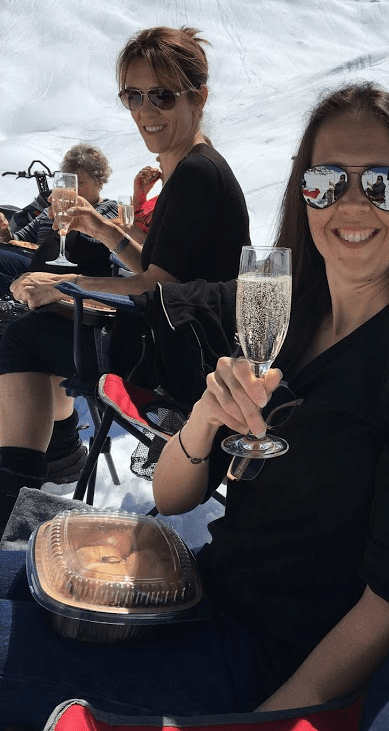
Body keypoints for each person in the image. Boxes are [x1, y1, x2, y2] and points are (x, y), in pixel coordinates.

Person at [0, 82, 389, 726]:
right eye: (325, 181)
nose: (350, 203)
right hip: (193, 595)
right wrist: (206, 416)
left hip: (253, 665)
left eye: (381, 183)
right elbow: (177, 498)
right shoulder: (288, 319)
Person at [0, 25, 250, 517]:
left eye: (161, 96)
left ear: (197, 97)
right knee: (31, 328)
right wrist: (100, 227)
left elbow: (162, 285)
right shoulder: (189, 166)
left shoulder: (197, 174)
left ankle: (14, 500)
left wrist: (64, 285)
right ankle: (56, 461)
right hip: (181, 337)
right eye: (132, 96)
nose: (144, 112)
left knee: (21, 338)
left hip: (175, 355)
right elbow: (162, 267)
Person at [0, 144, 117, 295]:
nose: (73, 190)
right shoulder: (56, 207)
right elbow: (18, 239)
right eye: (69, 183)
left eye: (79, 183)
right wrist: (4, 231)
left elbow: (96, 244)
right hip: (32, 262)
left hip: (62, 274)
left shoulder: (108, 209)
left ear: (99, 182)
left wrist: (33, 247)